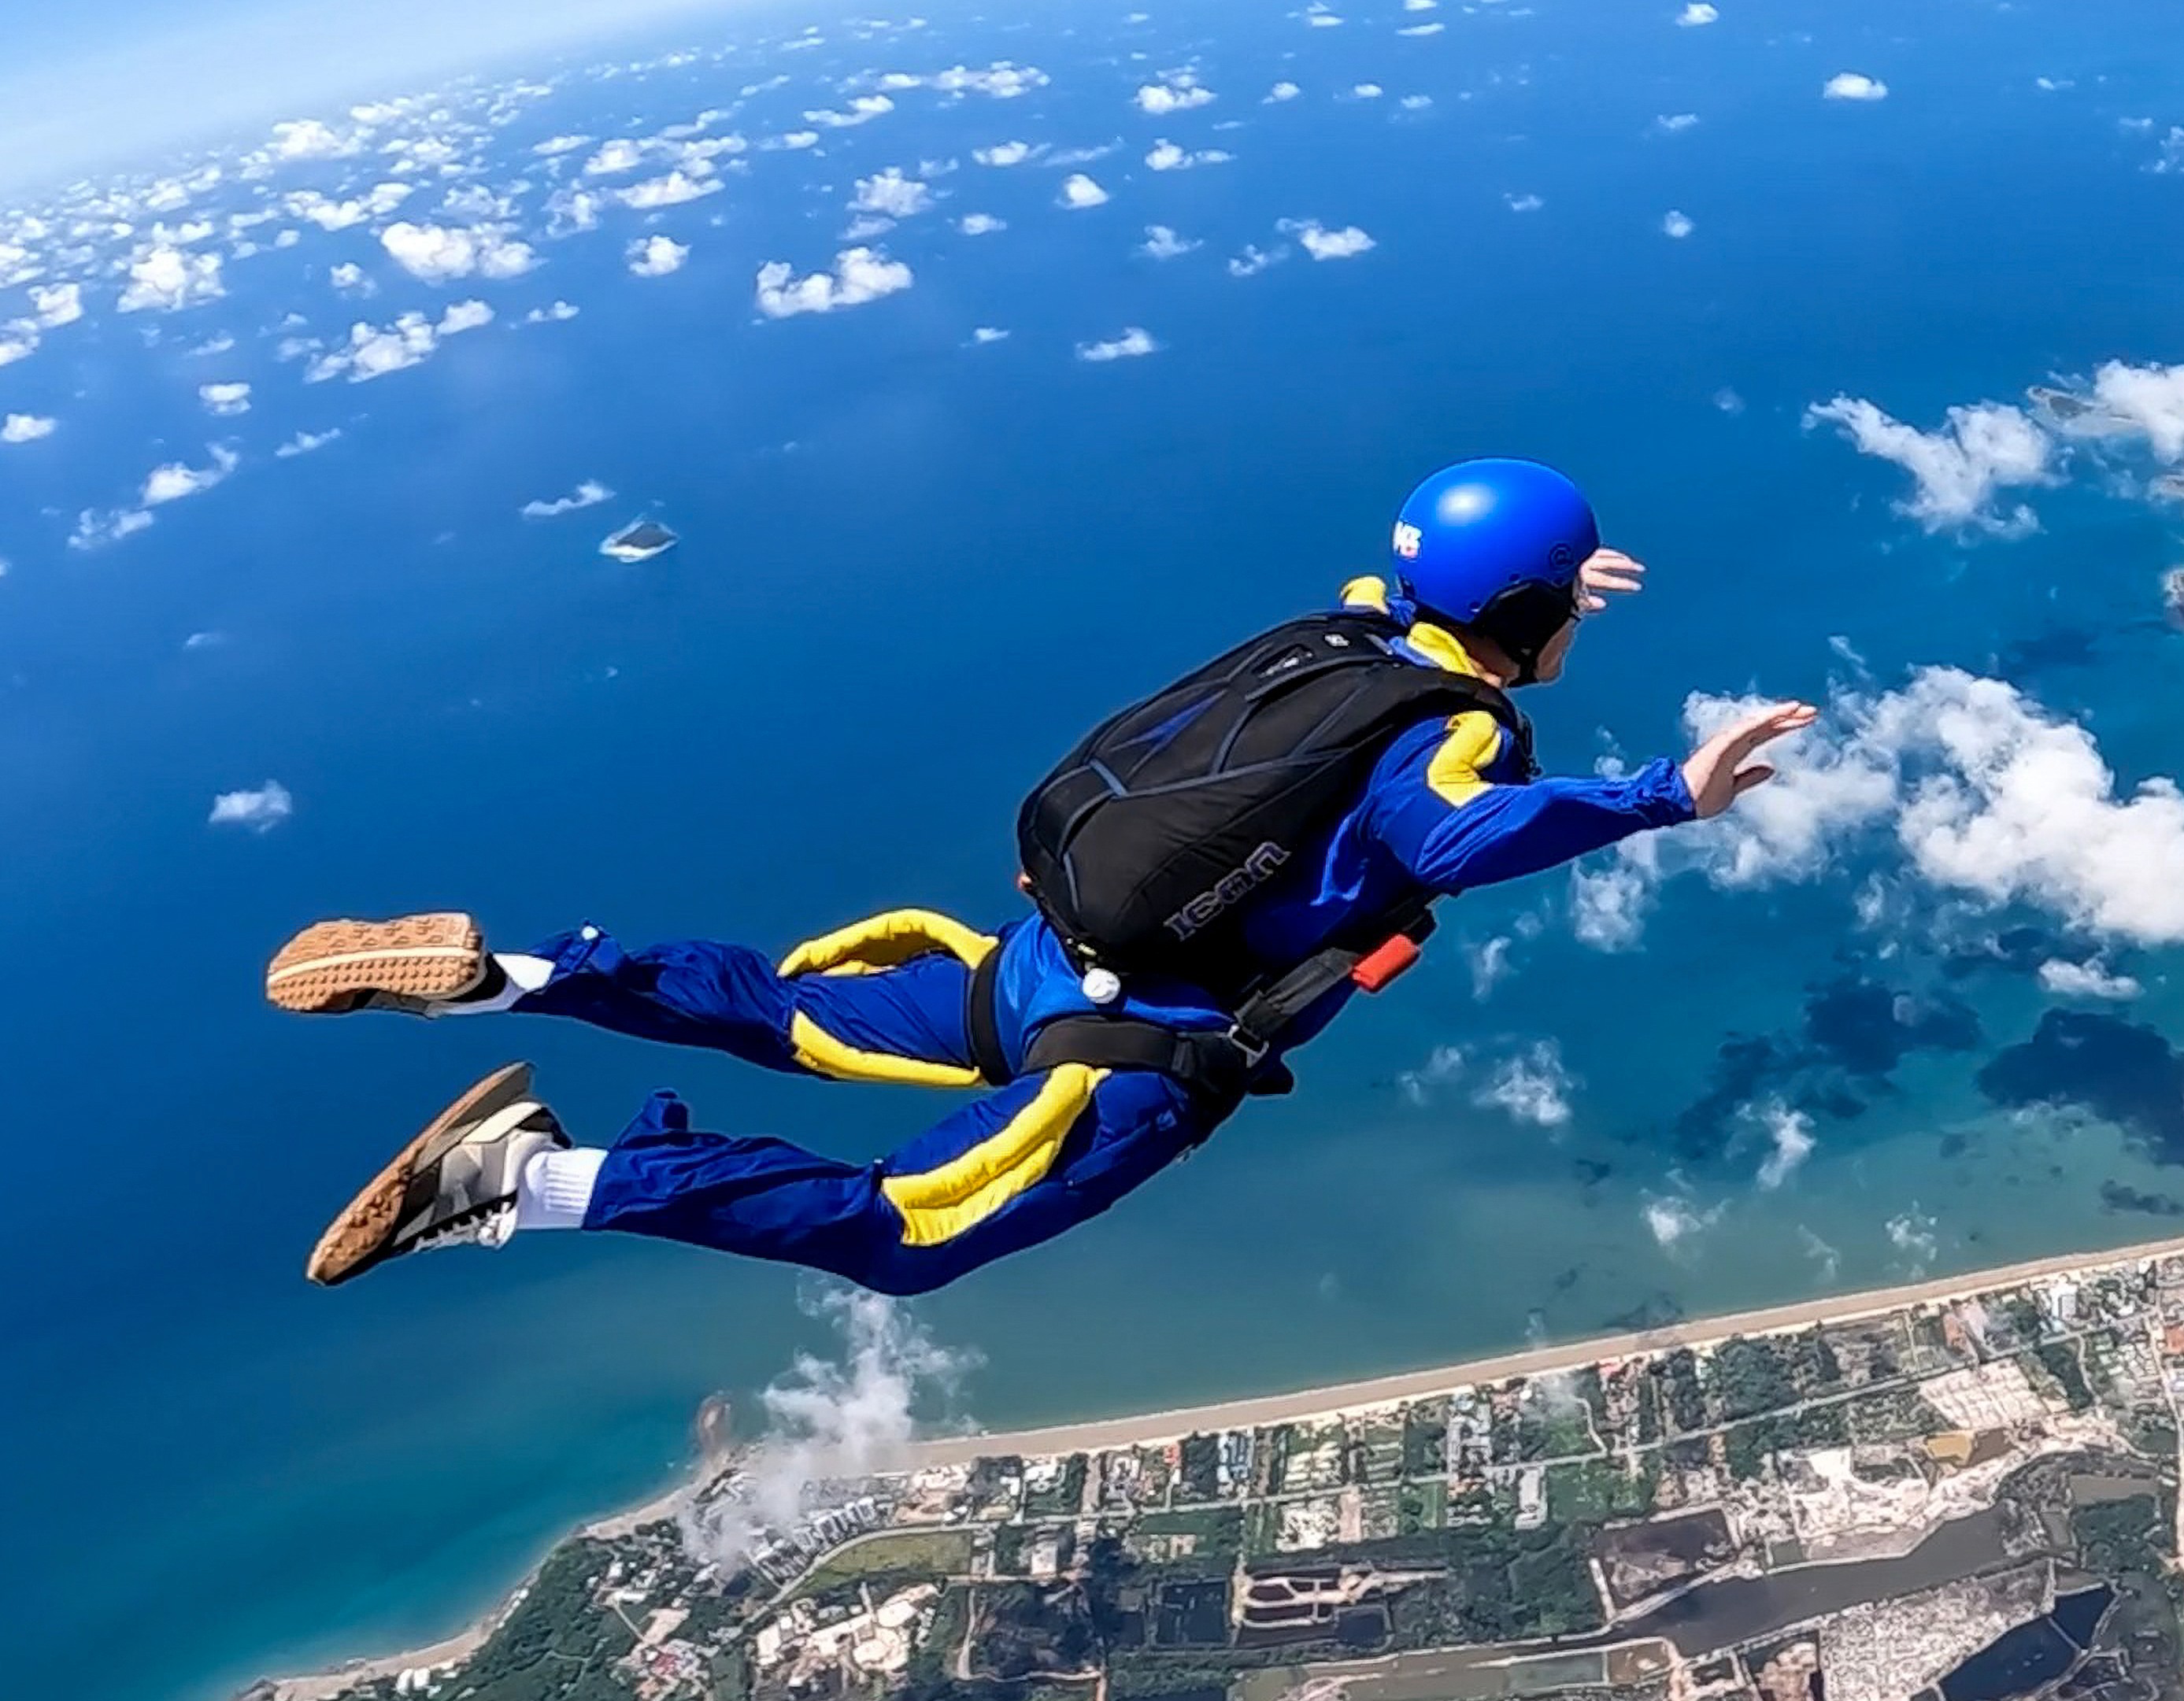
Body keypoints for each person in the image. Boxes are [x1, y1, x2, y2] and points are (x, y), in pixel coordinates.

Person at [268, 458, 1816, 1293]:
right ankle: (519, 1182)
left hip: (1023, 965)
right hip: (1127, 1054)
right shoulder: (1445, 739)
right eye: (1567, 608)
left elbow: (1422, 581)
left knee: (779, 1011)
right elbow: (1458, 836)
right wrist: (1665, 796)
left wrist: (1543, 580)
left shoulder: (1348, 631)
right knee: (903, 1236)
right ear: (1526, 612)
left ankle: (512, 975)